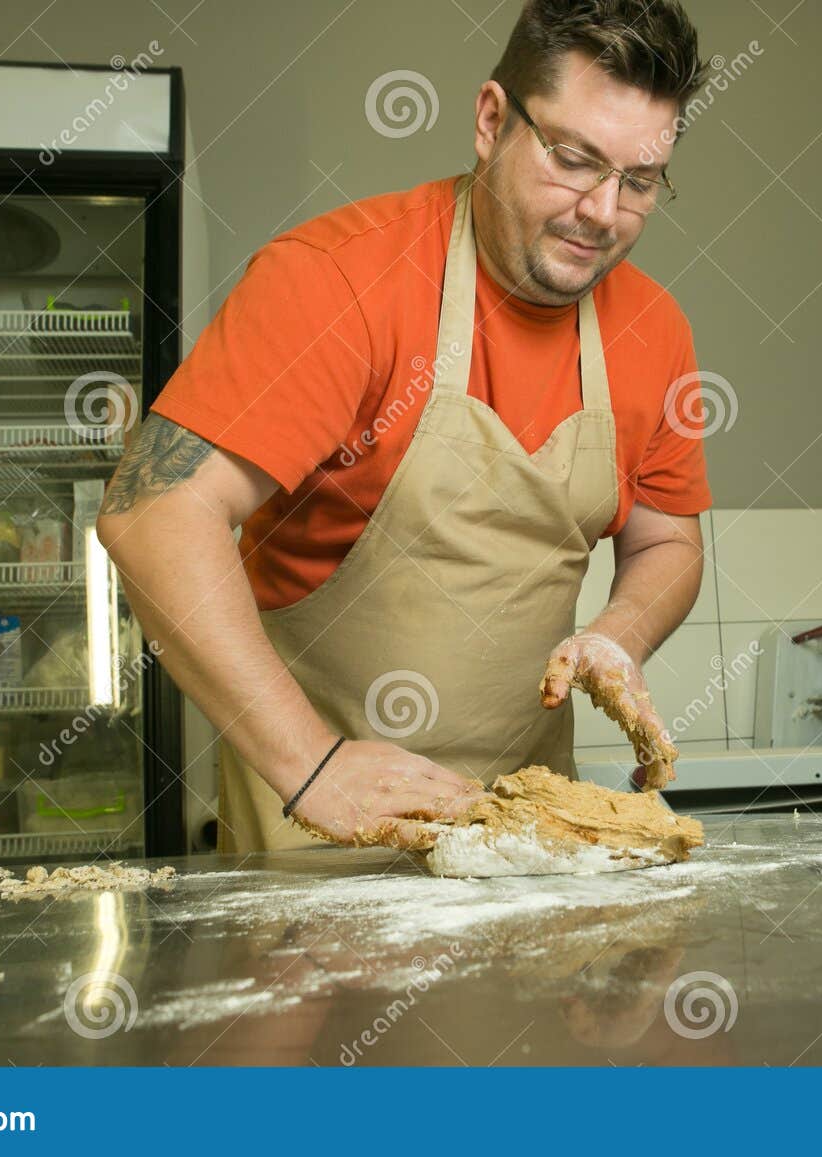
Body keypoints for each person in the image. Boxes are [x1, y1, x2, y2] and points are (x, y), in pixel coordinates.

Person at [97, 0, 714, 853]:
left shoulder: (655, 329)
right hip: (314, 840)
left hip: (525, 847)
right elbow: (151, 511)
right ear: (492, 120)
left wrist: (618, 636)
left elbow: (668, 543)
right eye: (575, 161)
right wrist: (311, 764)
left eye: (639, 181)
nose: (603, 212)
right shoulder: (335, 282)